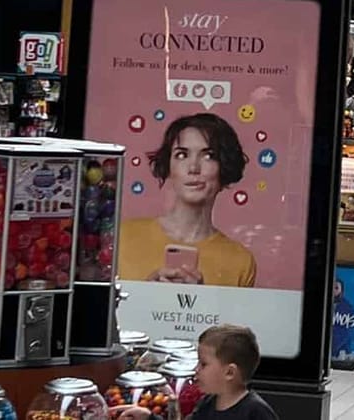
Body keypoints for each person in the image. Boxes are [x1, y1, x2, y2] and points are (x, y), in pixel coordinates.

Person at [118, 113, 256, 286]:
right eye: (182, 155)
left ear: (225, 168)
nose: (193, 168)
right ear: (169, 166)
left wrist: (197, 302)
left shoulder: (240, 261)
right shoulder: (122, 237)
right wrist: (146, 296)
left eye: (208, 156)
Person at [193, 324, 277, 420]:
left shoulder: (256, 412)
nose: (196, 369)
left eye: (203, 364)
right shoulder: (205, 404)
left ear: (230, 372)